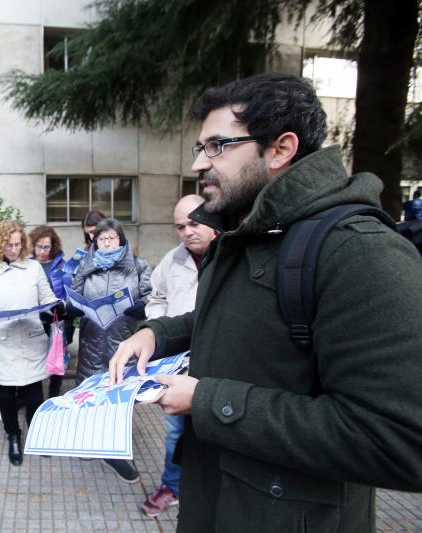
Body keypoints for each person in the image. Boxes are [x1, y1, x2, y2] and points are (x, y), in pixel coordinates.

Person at [109, 73, 422, 532]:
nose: (199, 163)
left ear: (281, 148)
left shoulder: (359, 251)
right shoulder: (245, 234)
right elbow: (236, 320)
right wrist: (157, 333)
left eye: (216, 146)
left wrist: (208, 401)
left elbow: (400, 442)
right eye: (200, 148)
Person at [140, 195, 216, 518]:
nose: (187, 232)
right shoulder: (172, 260)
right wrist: (161, 326)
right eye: (180, 226)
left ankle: (213, 489)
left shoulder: (234, 256)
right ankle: (172, 486)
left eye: (194, 223)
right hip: (178, 364)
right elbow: (155, 297)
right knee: (176, 430)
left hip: (218, 364)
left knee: (215, 428)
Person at [0, 220, 62, 466]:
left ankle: (37, 435)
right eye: (9, 245)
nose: (15, 249)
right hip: (2, 343)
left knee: (34, 396)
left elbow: (48, 297)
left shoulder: (33, 268)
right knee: (7, 397)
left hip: (31, 341)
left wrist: (57, 308)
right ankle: (13, 436)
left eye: (19, 244)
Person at [70, 217, 151, 483]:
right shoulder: (86, 265)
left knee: (118, 401)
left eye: (111, 238)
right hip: (92, 340)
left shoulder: (137, 266)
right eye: (101, 239)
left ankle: (116, 454)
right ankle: (92, 442)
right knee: (91, 394)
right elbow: (72, 293)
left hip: (123, 341)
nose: (106, 243)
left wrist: (140, 307)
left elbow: (151, 297)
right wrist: (72, 304)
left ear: (121, 240)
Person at [28, 224, 73, 398]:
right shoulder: (28, 265)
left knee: (57, 359)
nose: (42, 251)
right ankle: (33, 396)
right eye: (39, 247)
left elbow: (71, 294)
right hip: (34, 320)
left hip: (58, 320)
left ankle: (54, 395)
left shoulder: (63, 266)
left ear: (53, 246)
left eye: (46, 247)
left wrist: (61, 306)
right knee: (34, 359)